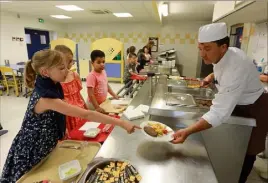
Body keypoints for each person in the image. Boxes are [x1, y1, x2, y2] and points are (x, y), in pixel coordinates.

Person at [0, 50, 139, 183]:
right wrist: (122, 123)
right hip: (33, 147)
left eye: (66, 67)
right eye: (61, 68)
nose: (67, 71)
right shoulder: (46, 98)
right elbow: (87, 114)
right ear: (45, 72)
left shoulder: (52, 86)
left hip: (46, 141)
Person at [172, 23, 268, 183]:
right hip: (239, 103)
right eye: (200, 48)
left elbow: (219, 113)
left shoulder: (236, 66)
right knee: (236, 146)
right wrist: (211, 76)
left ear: (223, 47)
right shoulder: (226, 55)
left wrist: (186, 131)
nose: (202, 54)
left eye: (207, 49)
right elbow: (220, 69)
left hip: (255, 108)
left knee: (247, 152)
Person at [54, 45, 87, 133]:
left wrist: (86, 108)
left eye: (72, 60)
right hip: (67, 115)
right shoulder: (56, 81)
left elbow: (78, 95)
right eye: (69, 61)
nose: (72, 63)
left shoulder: (75, 75)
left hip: (80, 111)